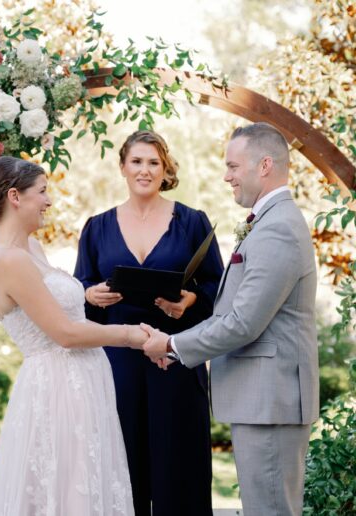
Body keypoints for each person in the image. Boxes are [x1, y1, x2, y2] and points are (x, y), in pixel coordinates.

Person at [142, 122, 319, 516]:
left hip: (271, 401)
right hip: (262, 401)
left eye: (233, 166)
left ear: (265, 165)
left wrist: (171, 344)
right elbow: (233, 313)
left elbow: (243, 323)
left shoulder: (278, 229)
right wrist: (175, 347)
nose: (227, 176)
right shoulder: (269, 222)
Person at [0, 156, 147, 516]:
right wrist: (133, 336)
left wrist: (84, 295)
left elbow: (53, 307)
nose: (49, 201)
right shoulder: (8, 259)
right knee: (66, 491)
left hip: (82, 381)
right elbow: (64, 333)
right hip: (58, 389)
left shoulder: (31, 249)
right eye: (42, 192)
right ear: (15, 197)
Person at [74, 130, 224, 516]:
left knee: (181, 469)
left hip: (174, 358)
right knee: (122, 468)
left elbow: (217, 288)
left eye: (153, 162)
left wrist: (190, 300)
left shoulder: (193, 222)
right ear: (123, 167)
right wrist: (91, 295)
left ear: (165, 169)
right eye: (137, 161)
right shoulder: (96, 227)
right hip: (116, 364)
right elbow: (80, 292)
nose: (145, 170)